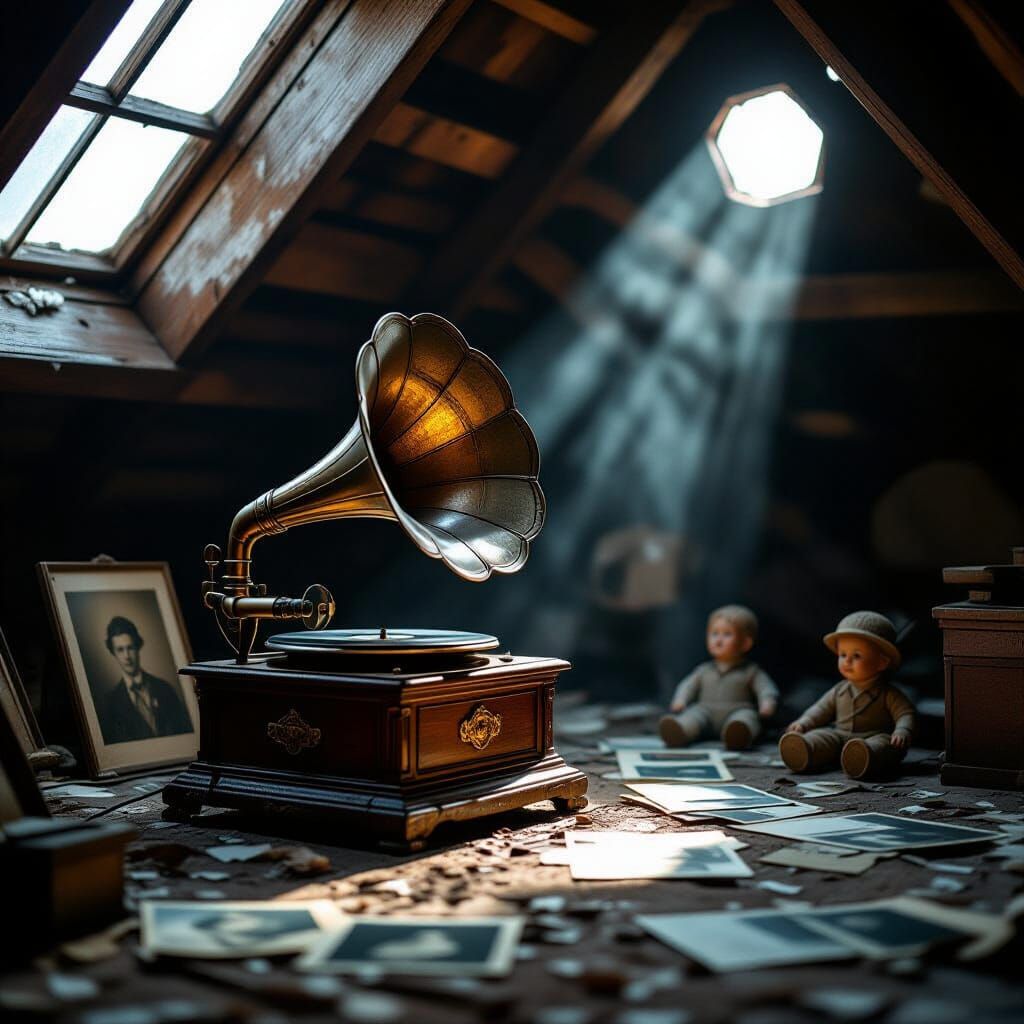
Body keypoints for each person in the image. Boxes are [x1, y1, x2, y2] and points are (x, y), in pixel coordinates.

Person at [779, 610, 915, 779]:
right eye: (843, 654)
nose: (847, 661)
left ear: (882, 662)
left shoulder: (888, 693)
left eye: (856, 655)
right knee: (822, 736)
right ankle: (805, 749)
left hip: (873, 736)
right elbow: (820, 709)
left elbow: (905, 713)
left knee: (884, 745)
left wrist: (902, 730)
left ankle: (863, 757)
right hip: (840, 735)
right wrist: (805, 722)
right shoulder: (839, 690)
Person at [659, 604, 779, 750]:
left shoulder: (751, 672)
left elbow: (766, 688)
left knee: (748, 717)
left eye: (727, 634)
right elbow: (688, 685)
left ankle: (739, 735)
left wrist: (767, 703)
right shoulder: (703, 670)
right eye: (714, 633)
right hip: (706, 712)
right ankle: (680, 731)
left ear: (745, 643)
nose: (719, 640)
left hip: (737, 710)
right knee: (693, 716)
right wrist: (680, 699)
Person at [99, 616, 191, 744]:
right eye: (120, 650)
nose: (127, 656)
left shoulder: (164, 689)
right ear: (113, 653)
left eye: (130, 648)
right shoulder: (110, 703)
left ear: (138, 647)